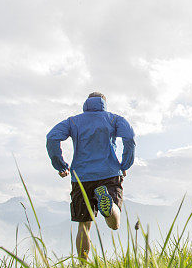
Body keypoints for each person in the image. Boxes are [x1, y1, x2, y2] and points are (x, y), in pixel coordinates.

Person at [46, 91, 135, 259]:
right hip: (109, 174)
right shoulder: (114, 119)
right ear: (104, 103)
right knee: (114, 225)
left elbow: (52, 137)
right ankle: (108, 206)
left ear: (86, 104)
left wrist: (60, 165)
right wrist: (125, 164)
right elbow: (129, 137)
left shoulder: (73, 121)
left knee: (84, 226)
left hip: (81, 178)